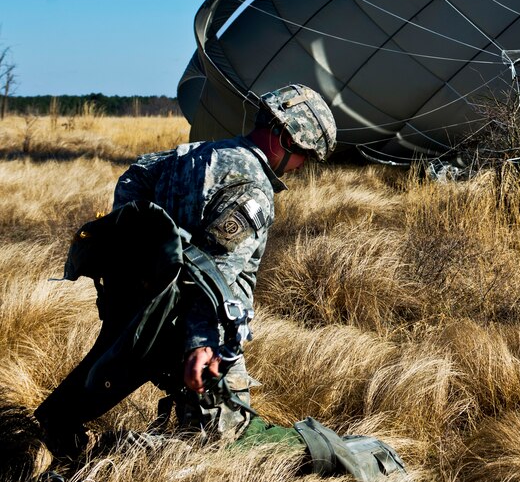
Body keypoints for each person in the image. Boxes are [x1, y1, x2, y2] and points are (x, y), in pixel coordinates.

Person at [35, 83, 337, 457]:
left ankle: (59, 432)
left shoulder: (194, 154)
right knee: (222, 442)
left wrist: (145, 266)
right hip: (199, 331)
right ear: (283, 137)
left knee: (104, 377)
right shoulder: (253, 190)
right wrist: (202, 344)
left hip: (146, 312)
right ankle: (113, 455)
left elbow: (135, 177)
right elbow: (214, 278)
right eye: (304, 155)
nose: (301, 166)